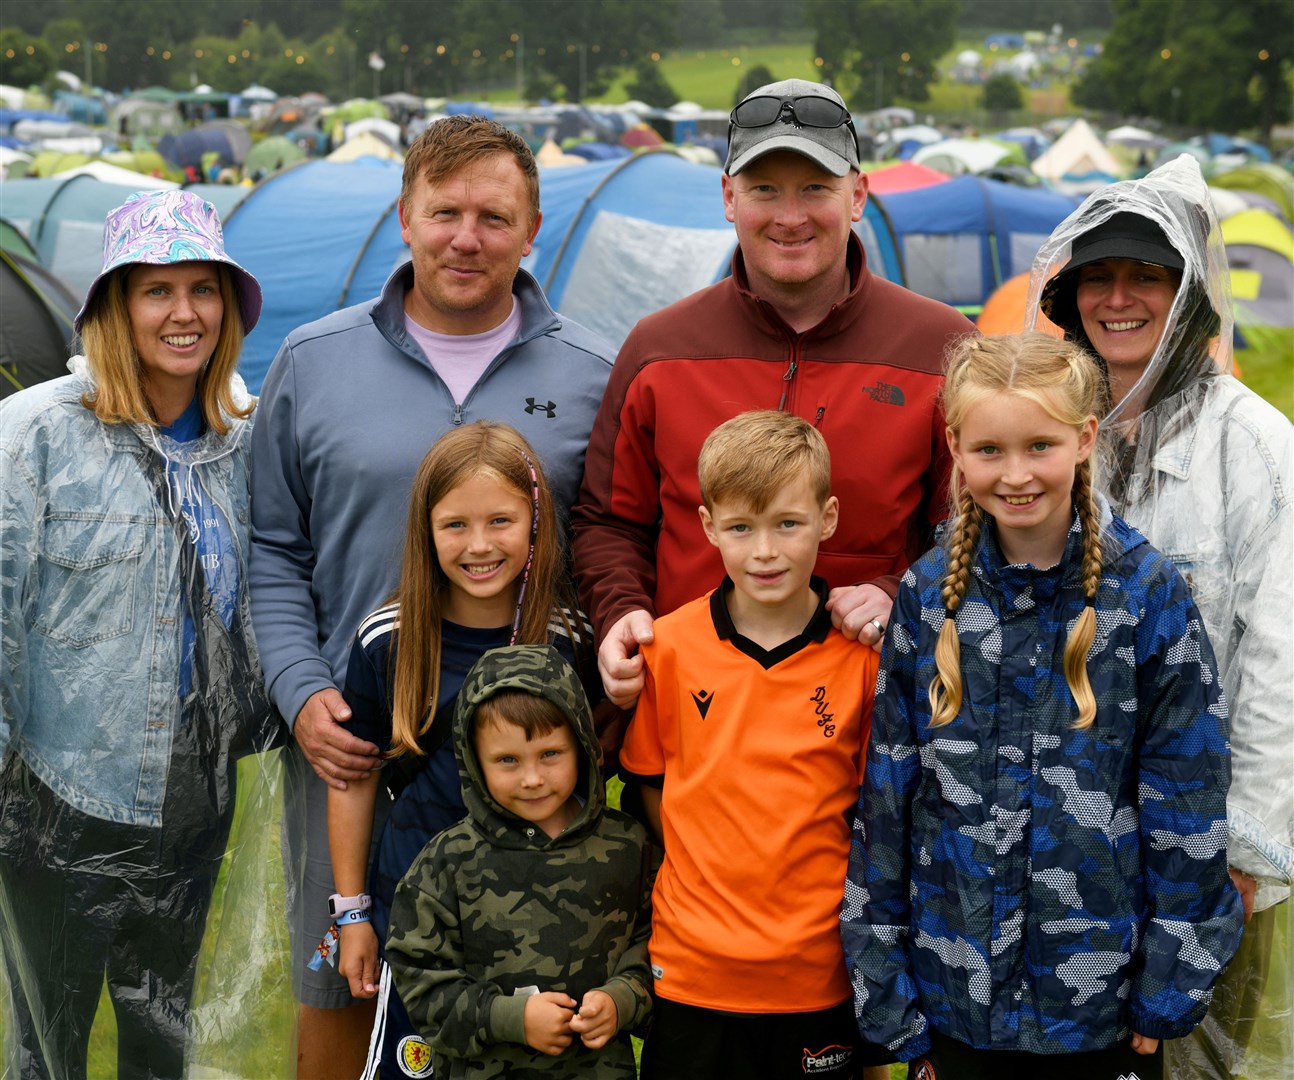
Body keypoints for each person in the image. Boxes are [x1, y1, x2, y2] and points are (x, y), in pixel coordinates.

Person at [249, 115, 614, 1076]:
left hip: (530, 763)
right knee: (345, 976)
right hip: (355, 739)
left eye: (494, 216)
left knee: (526, 997)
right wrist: (302, 693)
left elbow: (614, 547)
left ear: (532, 228)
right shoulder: (312, 362)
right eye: (443, 211)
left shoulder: (591, 378)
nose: (466, 236)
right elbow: (271, 549)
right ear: (403, 216)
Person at [840, 332, 1243, 1078]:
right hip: (954, 999)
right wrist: (888, 995)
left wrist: (1168, 985)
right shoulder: (930, 598)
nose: (1016, 474)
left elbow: (1188, 797)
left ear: (1084, 438)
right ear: (955, 445)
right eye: (989, 449)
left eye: (1040, 446)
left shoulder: (1146, 595)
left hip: (1101, 1011)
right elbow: (887, 805)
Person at [571, 78, 974, 713]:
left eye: (815, 188)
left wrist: (903, 590)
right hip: (691, 714)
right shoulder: (657, 349)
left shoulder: (942, 348)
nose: (790, 217)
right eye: (765, 190)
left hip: (870, 720)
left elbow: (975, 525)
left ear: (859, 195)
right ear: (729, 198)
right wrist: (621, 610)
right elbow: (608, 522)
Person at [0, 189, 280, 1078]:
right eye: (157, 290)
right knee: (51, 1045)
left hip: (193, 803)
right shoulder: (37, 433)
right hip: (59, 799)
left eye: (203, 289)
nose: (184, 312)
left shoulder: (248, 433)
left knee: (163, 1042)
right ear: (116, 309)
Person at [1028, 154, 1293, 1080]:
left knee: (1204, 1060)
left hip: (1208, 853)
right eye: (1098, 276)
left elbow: (1279, 662)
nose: (1119, 297)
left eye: (1146, 274)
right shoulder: (1052, 440)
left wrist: (1248, 847)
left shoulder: (1255, 449)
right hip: (1067, 846)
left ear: (1187, 294)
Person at [326, 421, 599, 1077]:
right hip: (420, 927)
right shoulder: (386, 640)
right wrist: (351, 914)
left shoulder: (568, 643)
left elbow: (593, 785)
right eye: (455, 525)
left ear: (535, 523)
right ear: (426, 529)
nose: (479, 545)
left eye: (501, 521)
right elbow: (354, 778)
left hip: (542, 930)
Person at [618, 411, 886, 1079]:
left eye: (787, 525)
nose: (764, 551)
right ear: (709, 526)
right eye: (741, 528)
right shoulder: (670, 650)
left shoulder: (862, 661)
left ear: (827, 518)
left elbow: (876, 820)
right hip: (693, 973)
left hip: (818, 973)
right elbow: (650, 789)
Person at [385, 643, 654, 1078]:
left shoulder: (629, 848)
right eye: (507, 760)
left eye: (550, 754)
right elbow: (421, 986)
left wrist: (623, 1000)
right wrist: (509, 1018)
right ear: (474, 761)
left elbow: (661, 945)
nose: (532, 778)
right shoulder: (445, 864)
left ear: (583, 746)